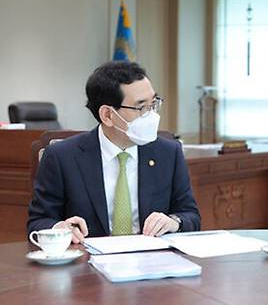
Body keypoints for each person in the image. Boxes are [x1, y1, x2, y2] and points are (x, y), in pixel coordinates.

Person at [27, 61, 200, 243]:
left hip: (151, 261)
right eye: (141, 107)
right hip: (87, 263)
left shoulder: (168, 152)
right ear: (107, 115)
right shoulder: (61, 156)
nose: (152, 115)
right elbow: (38, 221)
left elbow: (191, 215)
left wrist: (173, 222)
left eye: (154, 103)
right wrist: (59, 228)